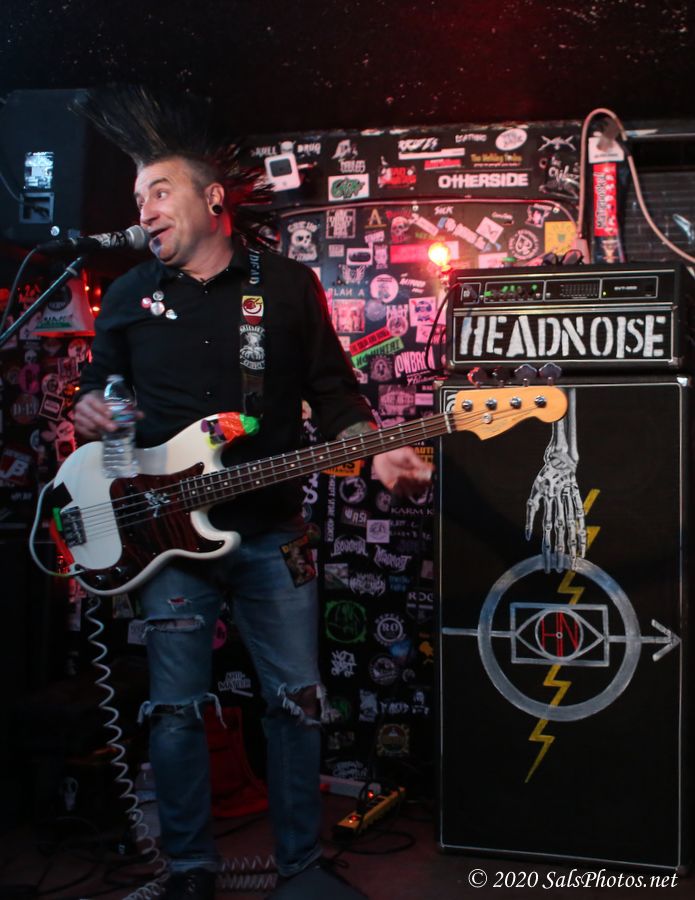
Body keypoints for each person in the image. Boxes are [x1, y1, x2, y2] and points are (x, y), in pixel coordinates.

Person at [73, 89, 432, 900]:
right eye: (136, 197)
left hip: (272, 529)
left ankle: (299, 867)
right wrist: (91, 409)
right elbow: (103, 389)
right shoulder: (127, 295)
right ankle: (189, 870)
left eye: (158, 191)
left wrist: (374, 448)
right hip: (167, 539)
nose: (143, 210)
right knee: (173, 711)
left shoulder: (287, 285)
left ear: (211, 198)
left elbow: (334, 394)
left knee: (296, 703)